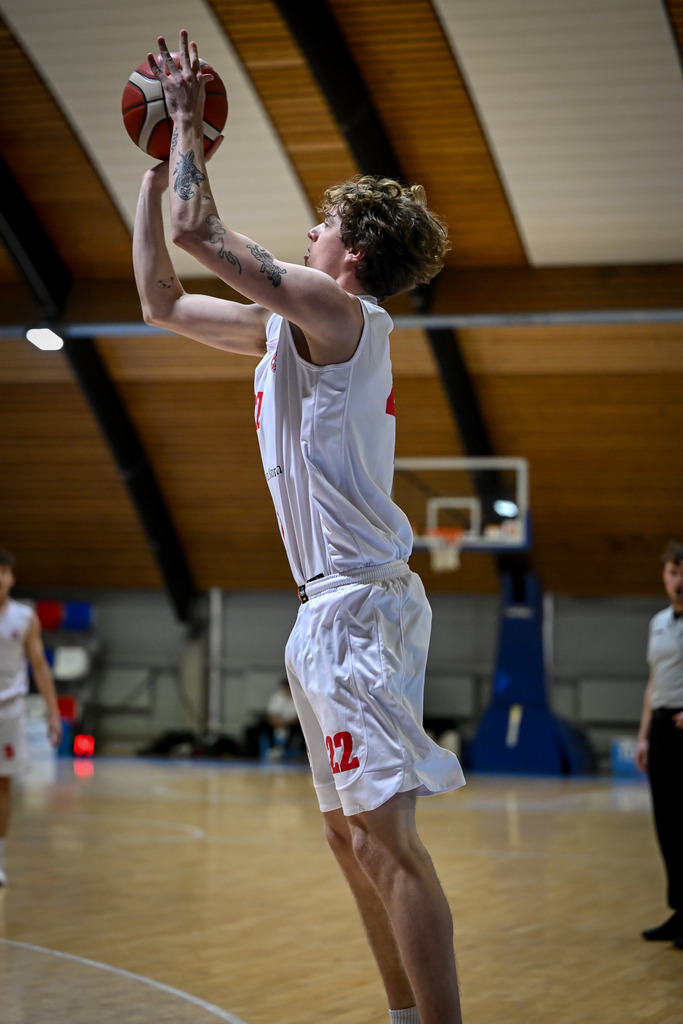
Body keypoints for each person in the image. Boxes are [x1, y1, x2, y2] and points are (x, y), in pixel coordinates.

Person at [132, 32, 466, 1024]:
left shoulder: (333, 309)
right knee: (347, 841)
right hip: (322, 615)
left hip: (360, 608)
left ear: (349, 254)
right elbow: (157, 297)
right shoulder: (286, 332)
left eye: (322, 221)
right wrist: (157, 168)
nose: (309, 231)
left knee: (386, 843)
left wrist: (189, 122)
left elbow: (202, 233)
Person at [0, 550, 62, 886]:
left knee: (2, 784)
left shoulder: (25, 617)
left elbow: (39, 666)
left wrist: (53, 712)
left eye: (4, 571)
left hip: (9, 710)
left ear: (11, 578)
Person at [635, 541, 683, 948]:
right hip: (664, 729)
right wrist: (644, 735)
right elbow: (655, 682)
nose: (678, 580)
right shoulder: (658, 623)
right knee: (667, 825)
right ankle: (680, 910)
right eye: (673, 571)